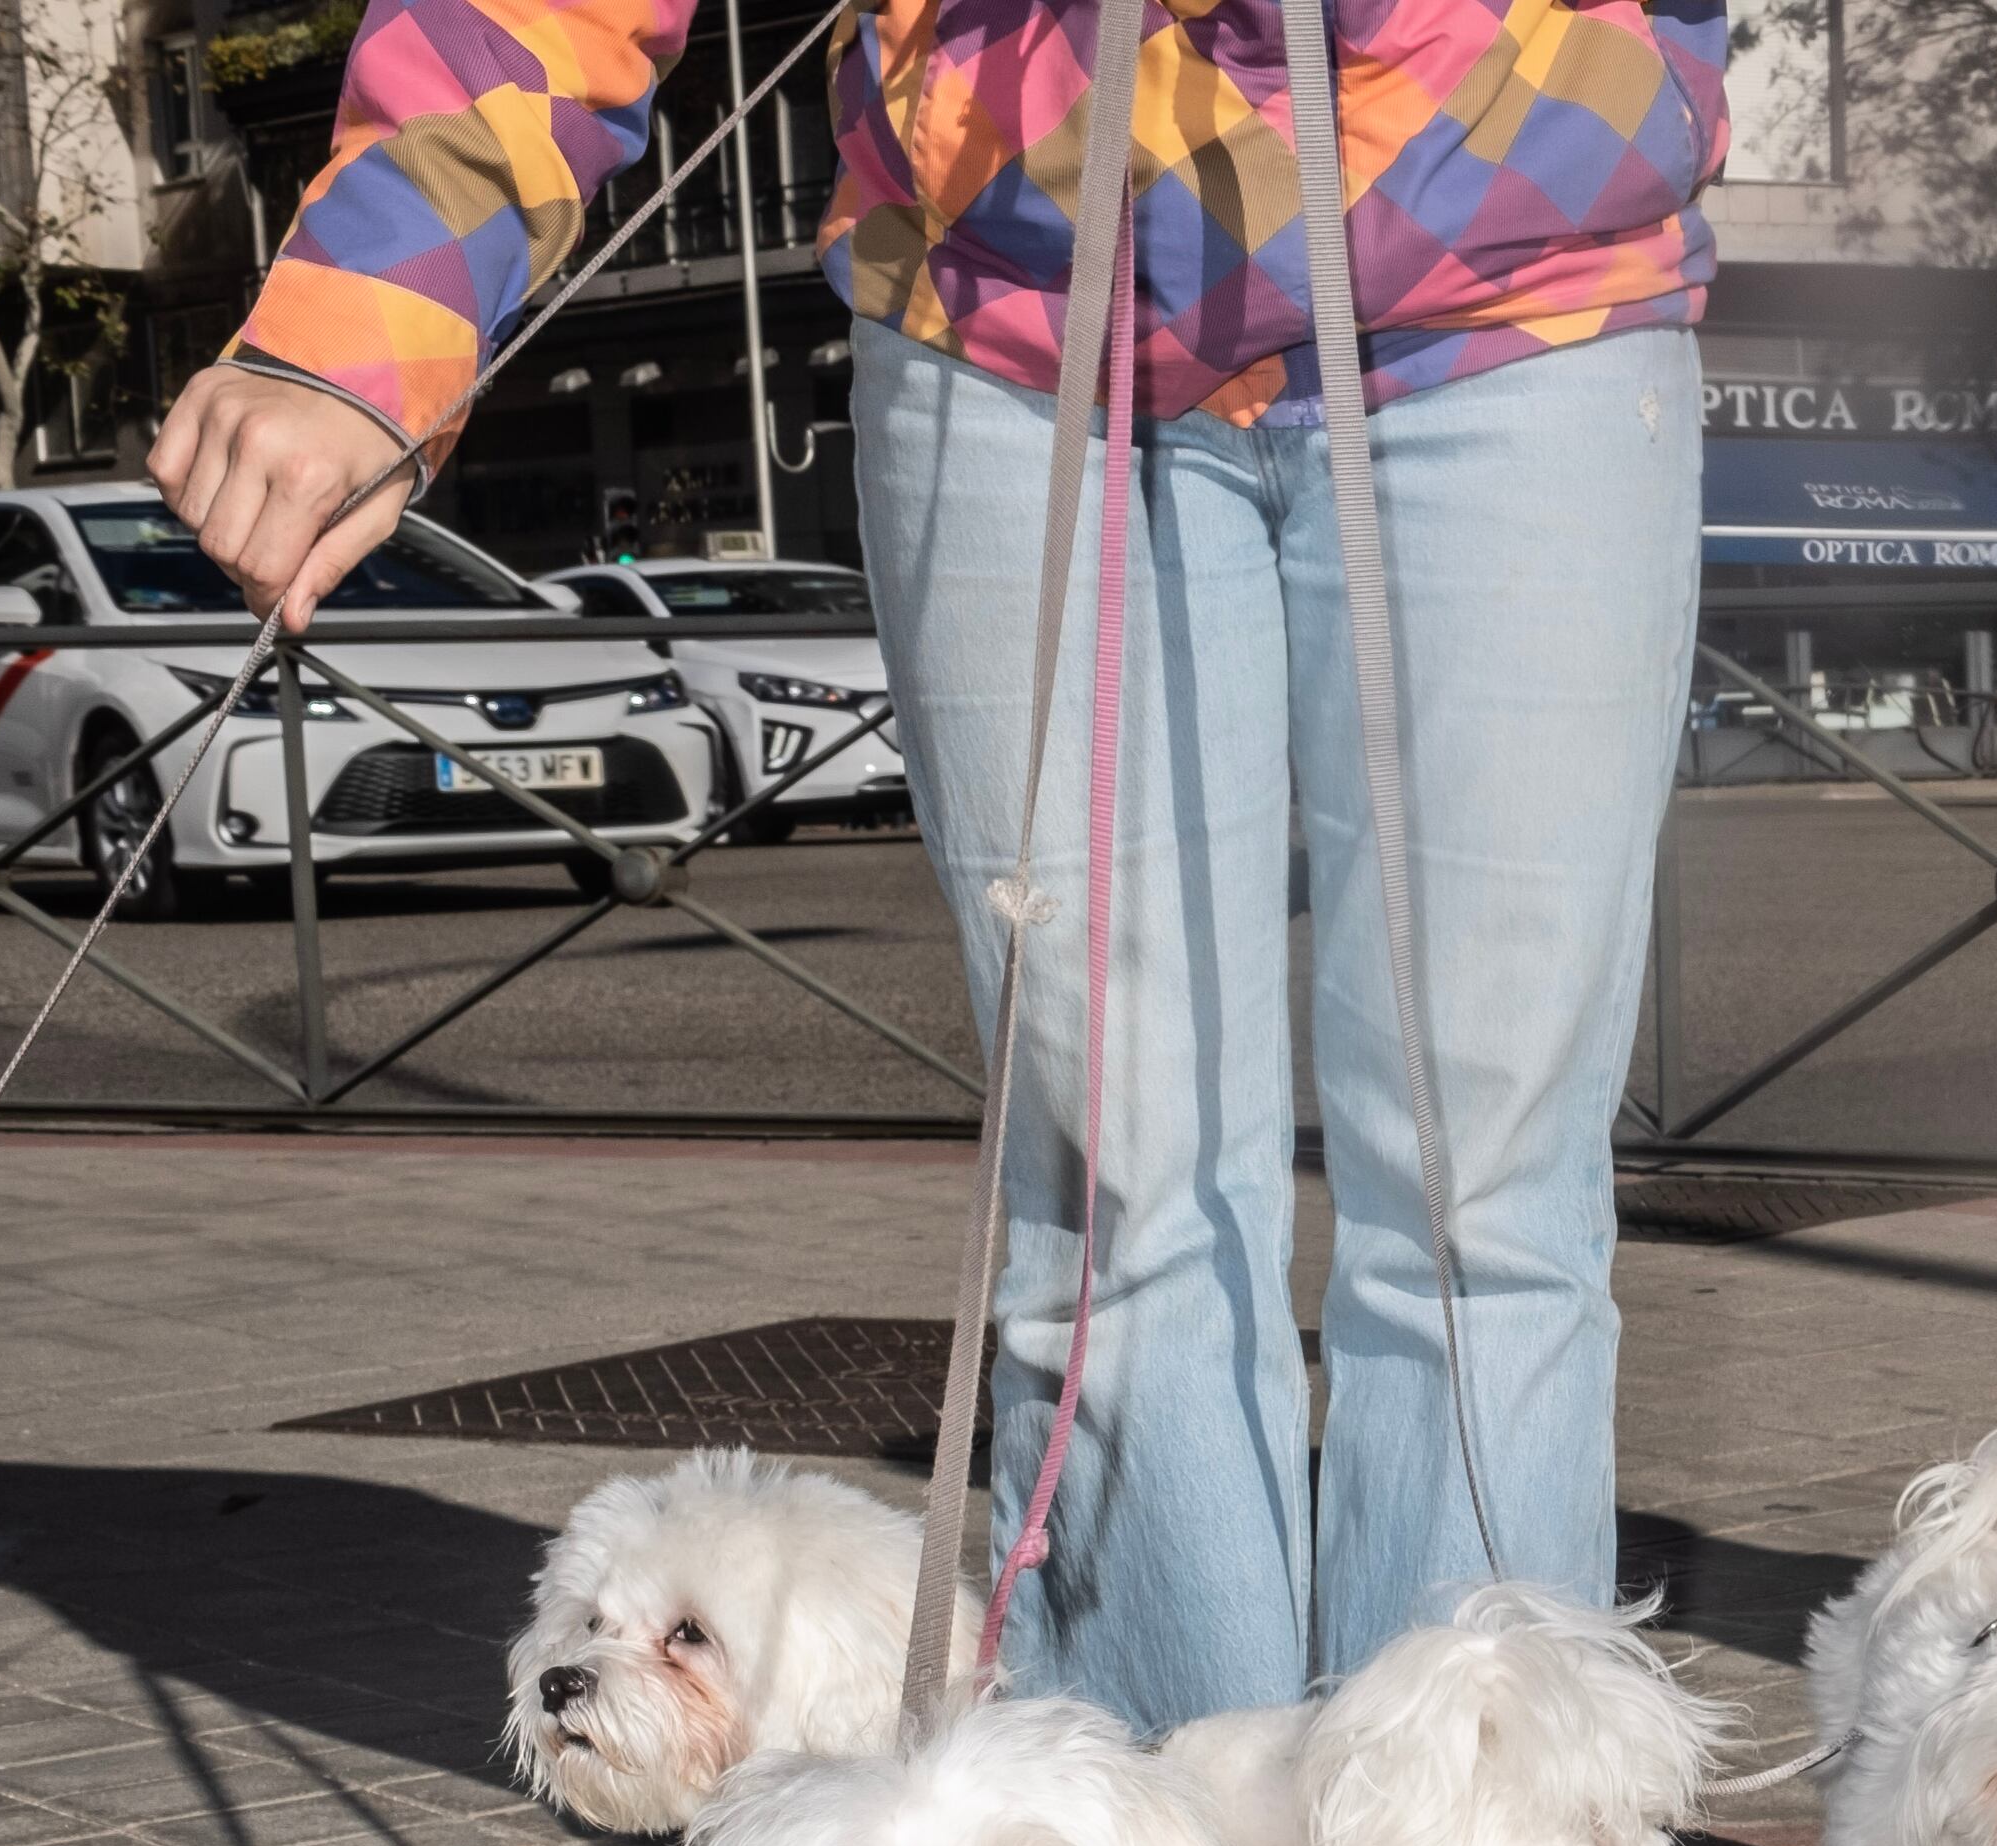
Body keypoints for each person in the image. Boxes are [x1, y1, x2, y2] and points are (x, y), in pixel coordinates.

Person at [160, 0, 1726, 1732]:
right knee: (1112, 1187)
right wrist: (366, 320)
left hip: (1519, 282)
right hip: (1012, 302)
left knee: (1481, 1199)